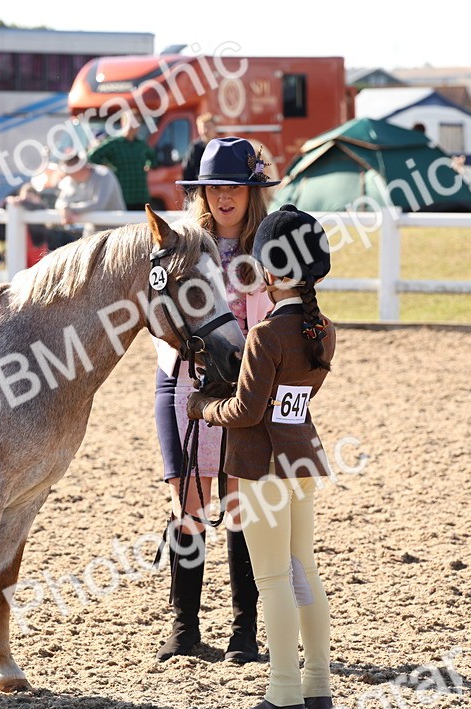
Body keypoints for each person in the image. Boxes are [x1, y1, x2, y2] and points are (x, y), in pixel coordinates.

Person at [187, 203, 337, 709]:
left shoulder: (265, 335)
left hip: (262, 468)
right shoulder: (323, 330)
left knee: (272, 579)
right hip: (302, 460)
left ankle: (284, 694)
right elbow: (290, 396)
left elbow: (247, 412)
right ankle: (317, 687)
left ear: (273, 270)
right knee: (303, 572)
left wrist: (203, 405)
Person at [154, 137, 279, 664]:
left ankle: (244, 632)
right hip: (181, 380)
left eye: (235, 187)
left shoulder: (266, 253)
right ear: (201, 192)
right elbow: (158, 313)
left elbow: (271, 324)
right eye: (214, 187)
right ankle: (184, 630)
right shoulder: (180, 245)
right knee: (188, 505)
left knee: (237, 506)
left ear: (252, 193)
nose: (224, 197)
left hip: (239, 385)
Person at [87, 114, 155, 211]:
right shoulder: (114, 143)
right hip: (122, 195)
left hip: (140, 195)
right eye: (131, 123)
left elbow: (152, 157)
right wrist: (106, 166)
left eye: (137, 123)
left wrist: (149, 166)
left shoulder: (141, 144)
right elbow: (92, 156)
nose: (134, 126)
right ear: (124, 123)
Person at [54, 151, 126, 240]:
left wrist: (70, 209)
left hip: (115, 235)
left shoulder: (104, 175)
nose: (68, 174)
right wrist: (64, 208)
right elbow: (60, 201)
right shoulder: (72, 180)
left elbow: (98, 204)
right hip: (92, 234)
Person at [181, 113, 219, 183]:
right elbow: (188, 171)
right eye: (203, 127)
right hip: (199, 186)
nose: (205, 130)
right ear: (198, 129)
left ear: (214, 128)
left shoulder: (220, 147)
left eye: (208, 127)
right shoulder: (194, 148)